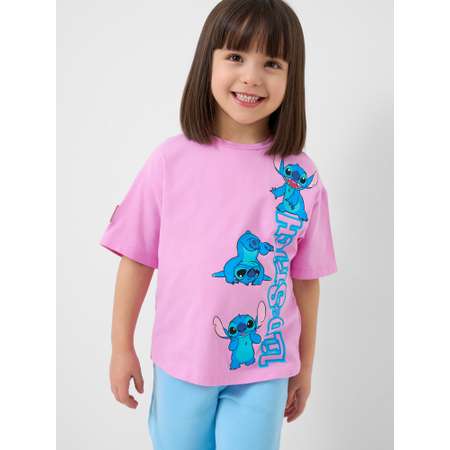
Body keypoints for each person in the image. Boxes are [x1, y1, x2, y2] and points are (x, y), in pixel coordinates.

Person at [100, 1, 337, 449]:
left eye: (271, 63)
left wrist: (304, 366)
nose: (251, 76)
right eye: (235, 56)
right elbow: (137, 259)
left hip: (264, 367)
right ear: (206, 62)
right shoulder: (170, 161)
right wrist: (121, 346)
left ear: (292, 77)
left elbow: (306, 280)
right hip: (182, 360)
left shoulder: (301, 176)